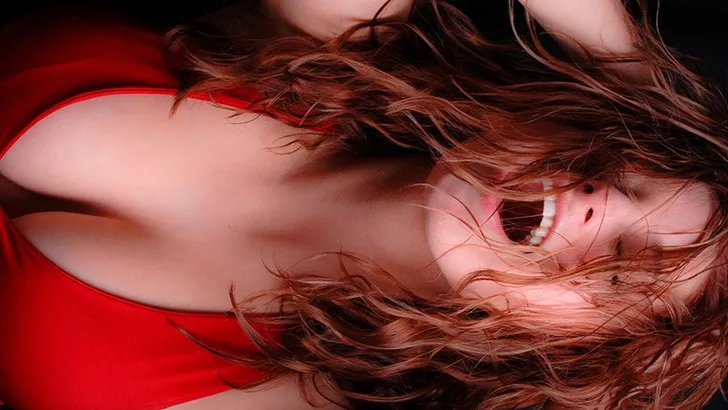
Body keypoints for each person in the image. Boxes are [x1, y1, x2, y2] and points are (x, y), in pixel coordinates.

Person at [0, 0, 726, 409]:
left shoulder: (296, 397)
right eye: (612, 164)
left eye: (622, 271)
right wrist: (632, 76)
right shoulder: (330, 46)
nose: (597, 201)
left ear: (579, 354)